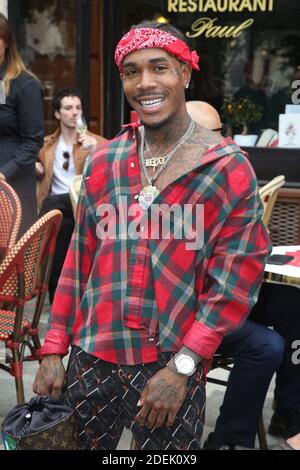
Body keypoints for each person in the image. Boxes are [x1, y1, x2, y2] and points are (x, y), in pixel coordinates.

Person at [33, 21, 271, 450]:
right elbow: (78, 260)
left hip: (169, 364)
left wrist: (182, 368)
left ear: (185, 73)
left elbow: (234, 284)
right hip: (92, 357)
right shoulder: (105, 160)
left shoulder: (226, 169)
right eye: (131, 71)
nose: (145, 83)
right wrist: (54, 348)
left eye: (159, 67)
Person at [188, 102, 300, 450]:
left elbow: (251, 247)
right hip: (192, 306)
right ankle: (229, 440)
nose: (220, 142)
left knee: (293, 303)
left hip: (227, 289)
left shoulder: (231, 175)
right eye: (207, 137)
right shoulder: (175, 186)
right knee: (266, 346)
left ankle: (291, 413)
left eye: (219, 133)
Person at [36, 88, 106, 304]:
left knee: (54, 203)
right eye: (68, 108)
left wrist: (96, 151)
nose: (75, 112)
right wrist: (36, 167)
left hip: (81, 205)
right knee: (63, 228)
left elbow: (115, 162)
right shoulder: (47, 146)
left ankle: (35, 255)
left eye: (78, 108)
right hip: (61, 215)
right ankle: (58, 298)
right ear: (57, 114)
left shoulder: (93, 141)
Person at [0, 13, 44, 234]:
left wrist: (4, 173)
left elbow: (33, 141)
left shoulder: (25, 84)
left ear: (6, 42)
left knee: (10, 255)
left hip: (12, 181)